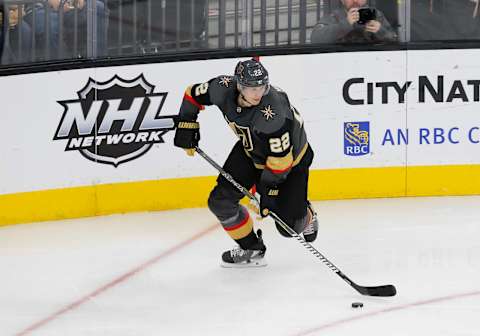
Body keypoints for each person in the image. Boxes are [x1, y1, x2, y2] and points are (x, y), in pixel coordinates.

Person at [173, 58, 319, 267]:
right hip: (251, 151)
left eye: (262, 86)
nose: (258, 93)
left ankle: (307, 214)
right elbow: (192, 94)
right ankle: (251, 247)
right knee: (220, 202)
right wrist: (187, 124)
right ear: (239, 86)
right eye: (252, 88)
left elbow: (281, 162)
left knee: (288, 228)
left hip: (291, 163)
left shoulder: (274, 113)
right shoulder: (221, 88)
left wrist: (265, 192)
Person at [25, 0, 108, 60]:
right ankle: (62, 68)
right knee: (49, 25)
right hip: (39, 8)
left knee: (97, 6)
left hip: (70, 6)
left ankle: (97, 61)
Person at [310, 0, 397, 44]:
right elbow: (316, 38)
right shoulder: (334, 16)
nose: (355, 1)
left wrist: (380, 30)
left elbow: (395, 39)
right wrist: (346, 23)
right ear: (342, 1)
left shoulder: (376, 15)